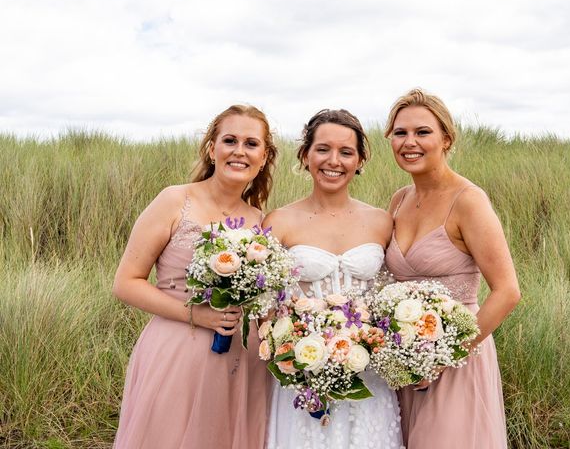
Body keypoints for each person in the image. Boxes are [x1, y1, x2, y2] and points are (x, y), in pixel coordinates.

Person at [112, 104, 278, 448]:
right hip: (177, 348)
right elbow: (126, 283)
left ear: (264, 157)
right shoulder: (175, 200)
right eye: (229, 140)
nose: (239, 151)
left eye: (251, 144)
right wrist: (198, 315)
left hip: (239, 359)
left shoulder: (260, 220)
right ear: (211, 148)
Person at [384, 89, 521, 448]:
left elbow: (507, 291)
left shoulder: (469, 201)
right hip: (406, 363)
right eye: (400, 133)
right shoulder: (399, 200)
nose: (409, 142)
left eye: (422, 132)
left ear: (446, 138)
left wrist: (445, 357)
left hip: (457, 359)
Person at [264, 109, 404, 449]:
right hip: (304, 377)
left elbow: (393, 294)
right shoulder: (280, 221)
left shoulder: (381, 221)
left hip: (368, 376)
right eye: (323, 149)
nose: (334, 161)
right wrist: (291, 351)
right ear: (306, 154)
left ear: (359, 160)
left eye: (346, 152)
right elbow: (264, 306)